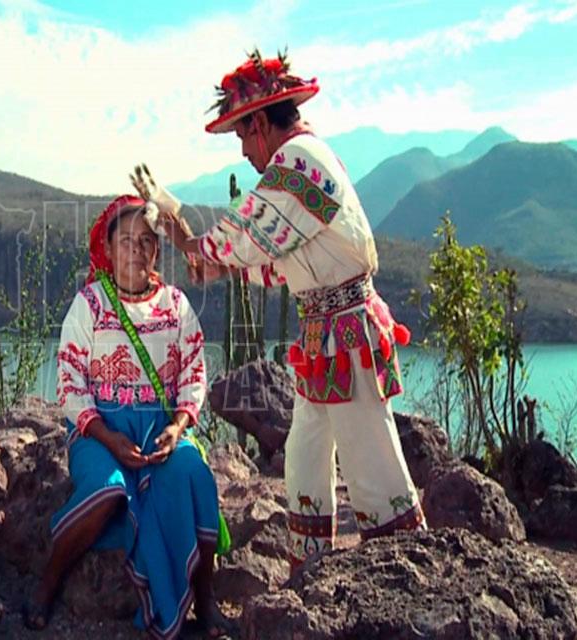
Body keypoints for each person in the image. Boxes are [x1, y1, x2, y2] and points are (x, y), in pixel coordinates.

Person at [132, 48, 426, 574]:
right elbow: (243, 259)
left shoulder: (299, 163)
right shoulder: (299, 167)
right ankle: (311, 572)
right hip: (326, 335)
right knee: (305, 458)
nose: (244, 151)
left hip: (345, 332)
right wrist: (179, 229)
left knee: (371, 461)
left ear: (261, 124)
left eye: (243, 136)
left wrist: (176, 216)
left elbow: (237, 243)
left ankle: (410, 577)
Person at [23, 195, 233, 638]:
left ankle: (205, 598)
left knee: (194, 476)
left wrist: (177, 427)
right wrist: (108, 437)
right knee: (108, 490)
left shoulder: (176, 306)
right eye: (126, 241)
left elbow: (194, 373)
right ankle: (48, 583)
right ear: (108, 247)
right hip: (101, 431)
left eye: (146, 242)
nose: (136, 250)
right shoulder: (89, 306)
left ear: (157, 250)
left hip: (160, 429)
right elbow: (70, 383)